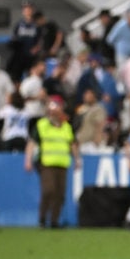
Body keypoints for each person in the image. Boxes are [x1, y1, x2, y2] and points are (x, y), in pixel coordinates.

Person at [24, 98, 80, 229]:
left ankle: (54, 220)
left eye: (58, 107)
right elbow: (32, 143)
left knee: (60, 194)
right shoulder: (42, 125)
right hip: (47, 163)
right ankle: (42, 218)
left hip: (62, 163)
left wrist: (77, 159)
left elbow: (72, 144)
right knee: (49, 190)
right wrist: (28, 160)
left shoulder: (66, 127)